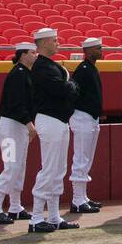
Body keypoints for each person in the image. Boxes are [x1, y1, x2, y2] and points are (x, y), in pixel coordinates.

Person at [27, 28, 82, 232]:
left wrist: (69, 86)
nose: (58, 43)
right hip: (50, 119)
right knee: (49, 168)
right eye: (54, 40)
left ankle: (53, 216)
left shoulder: (49, 65)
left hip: (58, 120)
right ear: (42, 44)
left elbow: (67, 89)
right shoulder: (42, 66)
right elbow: (62, 90)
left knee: (58, 170)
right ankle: (35, 219)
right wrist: (70, 85)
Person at [0, 42, 37, 224]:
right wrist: (29, 124)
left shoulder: (26, 74)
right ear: (22, 55)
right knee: (12, 167)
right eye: (32, 52)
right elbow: (16, 103)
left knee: (19, 167)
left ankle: (15, 206)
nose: (36, 55)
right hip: (11, 126)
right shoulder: (18, 74)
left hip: (20, 126)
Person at [68, 37, 103, 216]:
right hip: (82, 116)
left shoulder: (90, 67)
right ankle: (77, 199)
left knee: (86, 158)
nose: (101, 50)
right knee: (81, 158)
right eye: (98, 48)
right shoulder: (83, 69)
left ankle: (83, 196)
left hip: (90, 116)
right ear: (89, 51)